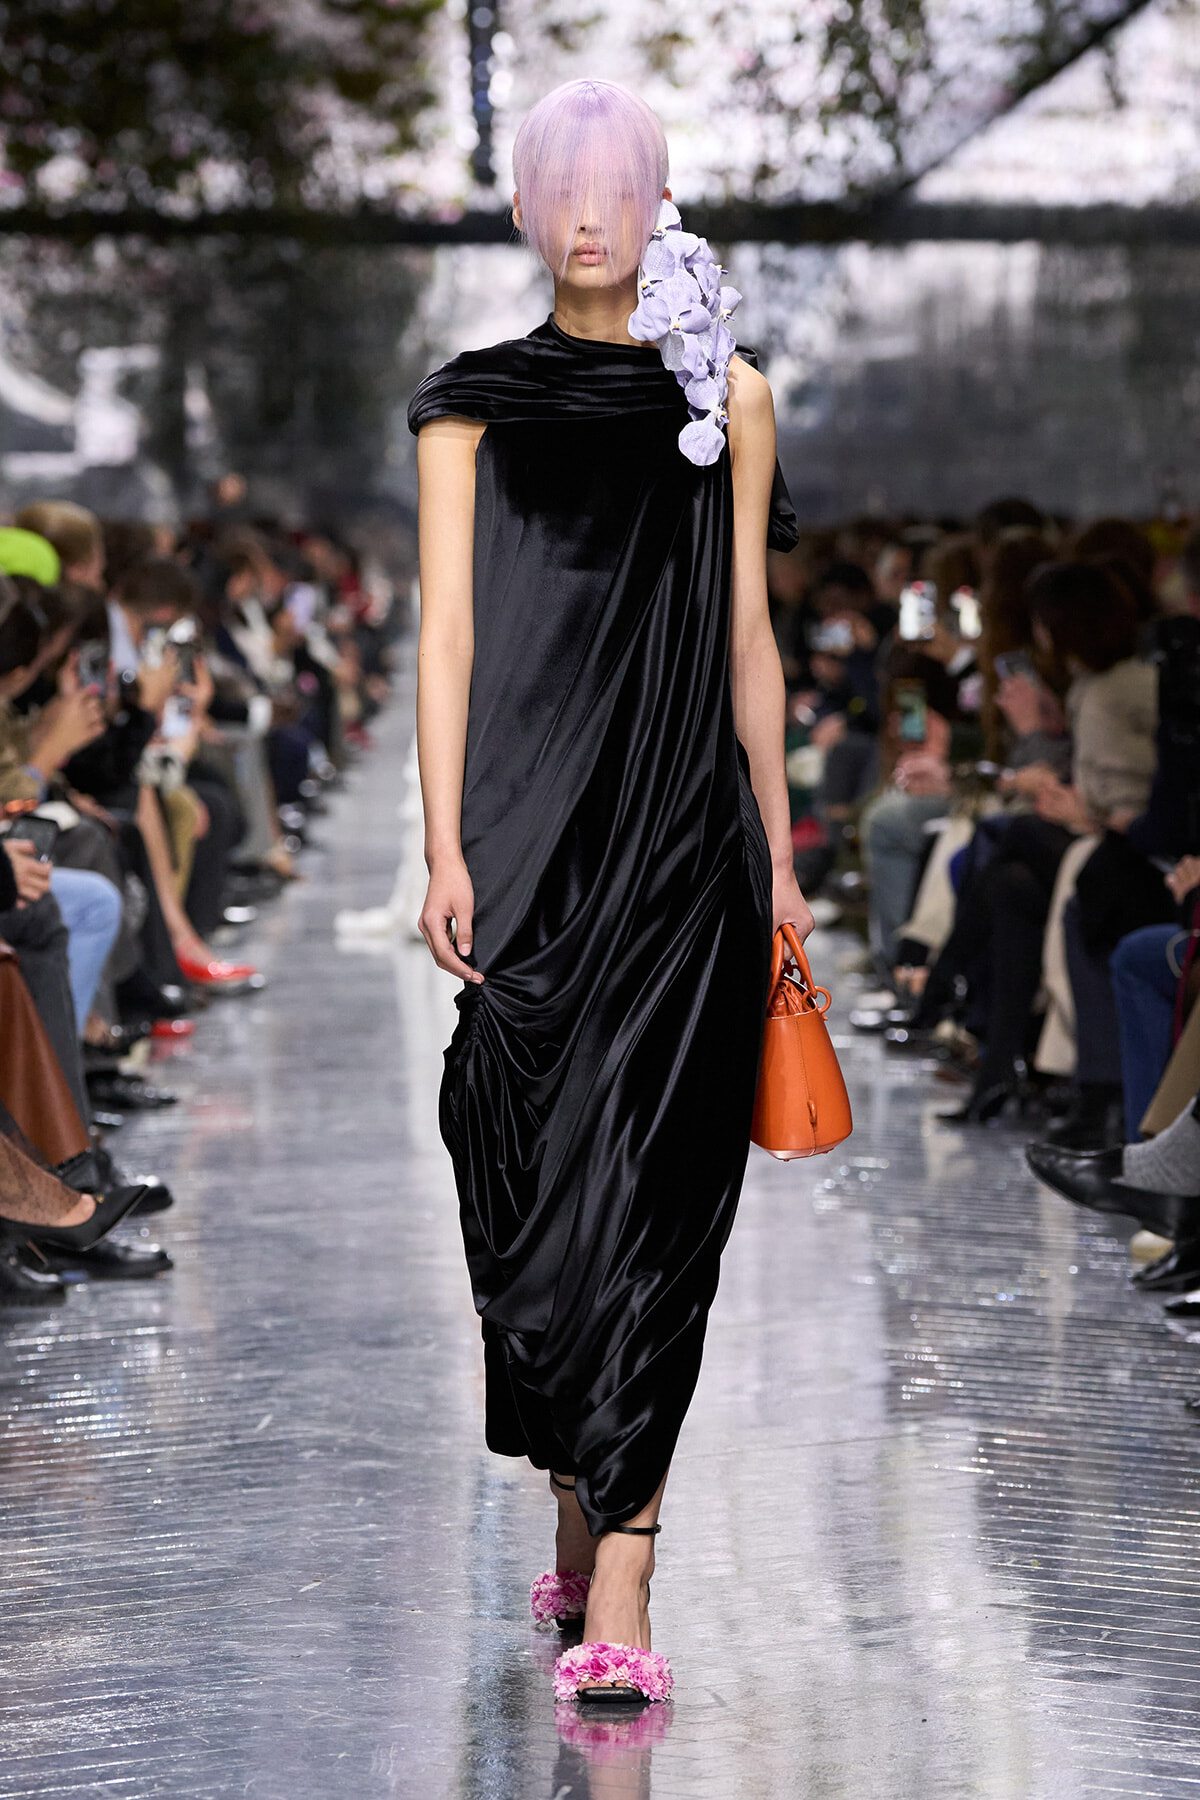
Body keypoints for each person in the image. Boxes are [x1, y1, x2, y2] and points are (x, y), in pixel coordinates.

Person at [409, 77, 810, 1706]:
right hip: (523, 842)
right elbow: (446, 635)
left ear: (657, 201)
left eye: (618, 186)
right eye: (563, 187)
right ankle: (578, 1493)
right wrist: (444, 846)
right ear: (524, 206)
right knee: (519, 1187)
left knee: (658, 1194)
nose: (591, 216)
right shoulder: (469, 405)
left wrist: (781, 858)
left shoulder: (732, 394)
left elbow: (749, 640)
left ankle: (627, 1567)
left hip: (685, 845)